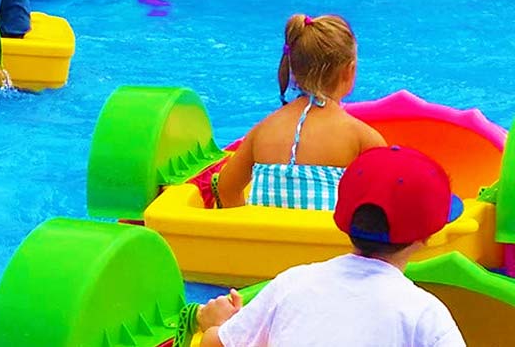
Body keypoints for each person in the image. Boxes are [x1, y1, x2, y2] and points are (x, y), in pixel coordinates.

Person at [197, 146, 467, 347]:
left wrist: (217, 322)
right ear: (428, 235)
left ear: (341, 219)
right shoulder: (425, 314)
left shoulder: (292, 283)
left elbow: (215, 344)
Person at [215, 14, 386, 210]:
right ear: (350, 70)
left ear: (293, 70)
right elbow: (386, 205)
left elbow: (225, 189)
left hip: (263, 239)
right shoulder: (362, 137)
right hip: (326, 240)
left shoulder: (262, 131)